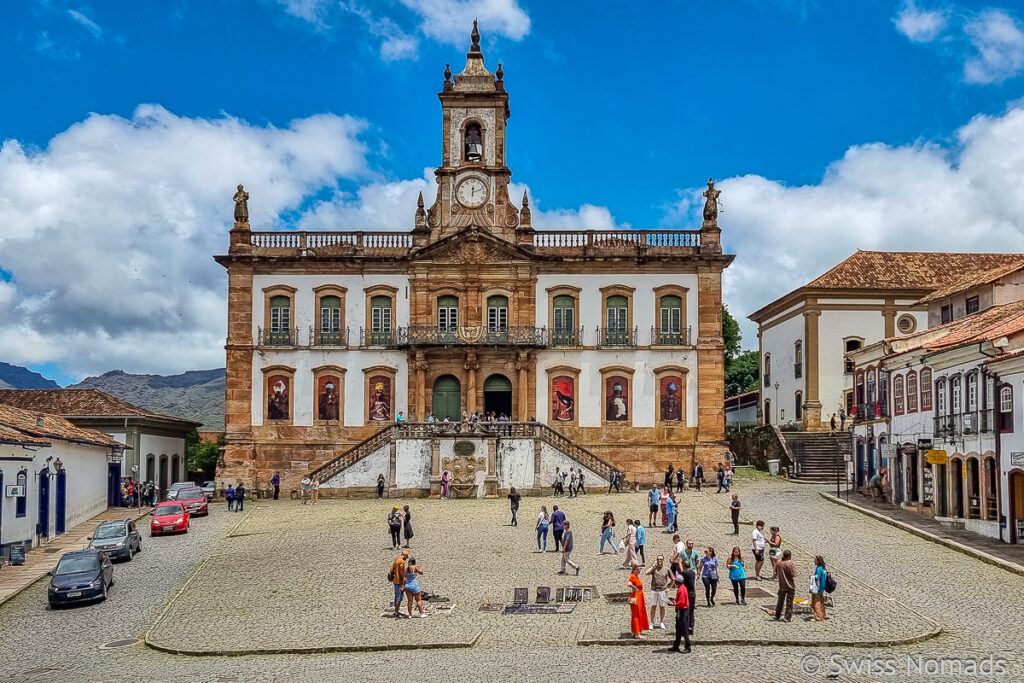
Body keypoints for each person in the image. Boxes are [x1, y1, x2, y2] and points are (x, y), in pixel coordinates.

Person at [645, 555, 672, 629]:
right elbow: (646, 573)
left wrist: (669, 588)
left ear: (663, 560)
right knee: (653, 606)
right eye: (658, 559)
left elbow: (673, 578)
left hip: (663, 590)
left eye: (661, 559)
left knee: (662, 607)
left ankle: (661, 622)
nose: (659, 561)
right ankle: (652, 622)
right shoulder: (654, 569)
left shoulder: (667, 569)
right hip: (654, 590)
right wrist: (653, 566)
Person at [668, 570, 692, 653]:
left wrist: (674, 604)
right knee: (678, 629)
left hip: (682, 611)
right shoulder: (682, 588)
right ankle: (676, 645)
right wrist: (675, 599)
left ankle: (688, 646)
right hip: (681, 611)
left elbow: (682, 602)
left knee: (684, 630)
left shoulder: (681, 589)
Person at [627, 564, 650, 638]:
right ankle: (637, 634)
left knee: (637, 614)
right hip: (636, 597)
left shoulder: (636, 577)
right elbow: (629, 583)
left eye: (640, 569)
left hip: (639, 597)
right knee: (636, 615)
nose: (639, 570)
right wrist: (634, 588)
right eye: (638, 569)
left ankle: (634, 632)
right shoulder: (633, 576)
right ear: (634, 570)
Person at [774, 549, 797, 622]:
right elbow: (793, 574)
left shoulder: (779, 563)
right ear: (789, 556)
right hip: (790, 586)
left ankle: (777, 615)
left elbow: (775, 573)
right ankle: (787, 617)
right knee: (789, 603)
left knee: (780, 602)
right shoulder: (790, 564)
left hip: (781, 585)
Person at [679, 560, 696, 636]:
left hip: (686, 593)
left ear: (684, 566)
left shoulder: (683, 573)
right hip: (692, 593)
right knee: (691, 611)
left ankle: (685, 628)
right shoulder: (693, 573)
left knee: (685, 611)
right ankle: (691, 627)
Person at [390, 550, 408, 616]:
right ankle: (396, 612)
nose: (406, 559)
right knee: (399, 597)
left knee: (396, 596)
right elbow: (401, 573)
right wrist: (403, 583)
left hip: (395, 580)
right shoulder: (401, 561)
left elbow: (391, 570)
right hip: (399, 581)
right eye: (406, 557)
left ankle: (396, 610)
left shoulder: (396, 560)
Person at [810, 555, 828, 621]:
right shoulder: (824, 569)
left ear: (818, 561)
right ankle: (822, 615)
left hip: (817, 587)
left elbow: (817, 577)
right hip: (822, 587)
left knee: (815, 602)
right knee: (821, 601)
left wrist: (811, 576)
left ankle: (818, 616)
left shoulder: (818, 569)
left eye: (815, 560)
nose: (814, 561)